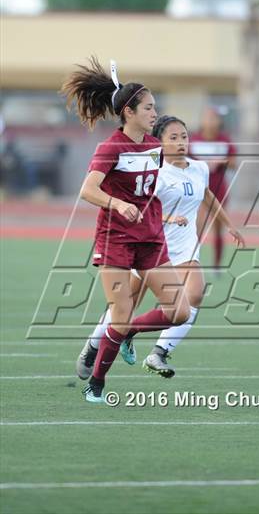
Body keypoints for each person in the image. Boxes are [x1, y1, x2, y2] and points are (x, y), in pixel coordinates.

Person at [62, 57, 191, 403]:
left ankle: (125, 334)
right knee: (119, 311)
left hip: (150, 239)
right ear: (129, 112)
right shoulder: (110, 148)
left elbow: (149, 192)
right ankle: (97, 383)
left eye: (155, 107)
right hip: (115, 239)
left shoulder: (153, 145)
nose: (155, 113)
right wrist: (117, 204)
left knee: (179, 310)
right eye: (149, 108)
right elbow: (88, 190)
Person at [78, 115, 245, 379]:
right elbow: (142, 206)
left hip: (185, 249)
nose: (181, 142)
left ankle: (159, 351)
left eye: (184, 136)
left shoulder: (198, 168)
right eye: (173, 138)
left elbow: (207, 196)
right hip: (150, 245)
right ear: (159, 142)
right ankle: (94, 345)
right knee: (123, 308)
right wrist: (168, 218)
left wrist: (228, 225)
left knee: (195, 296)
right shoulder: (154, 170)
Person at [189, 107, 237, 270]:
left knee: (218, 229)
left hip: (219, 191)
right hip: (199, 191)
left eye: (214, 118)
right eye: (207, 117)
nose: (210, 121)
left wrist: (220, 161)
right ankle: (191, 262)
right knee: (197, 228)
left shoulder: (224, 140)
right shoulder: (193, 140)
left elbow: (233, 164)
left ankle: (216, 265)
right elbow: (184, 163)